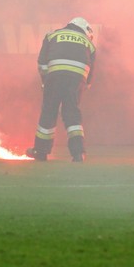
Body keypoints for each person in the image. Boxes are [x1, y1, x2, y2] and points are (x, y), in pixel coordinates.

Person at [26, 16, 96, 163]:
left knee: (49, 112)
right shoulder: (89, 44)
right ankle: (78, 154)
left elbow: (42, 63)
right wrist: (84, 85)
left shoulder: (52, 35)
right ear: (85, 30)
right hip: (76, 80)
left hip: (55, 77)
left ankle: (41, 152)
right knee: (72, 114)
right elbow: (90, 73)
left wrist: (46, 81)